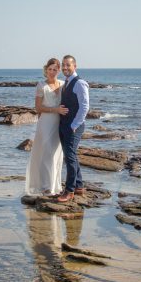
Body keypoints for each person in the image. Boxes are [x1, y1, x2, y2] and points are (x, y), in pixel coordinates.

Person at [24, 58, 65, 196]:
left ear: (59, 70)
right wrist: (56, 110)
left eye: (55, 69)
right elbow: (38, 107)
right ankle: (45, 187)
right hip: (46, 124)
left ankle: (55, 186)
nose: (52, 72)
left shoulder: (63, 84)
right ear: (46, 70)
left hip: (60, 123)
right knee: (46, 154)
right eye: (50, 69)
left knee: (57, 155)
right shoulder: (41, 85)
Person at [56, 54, 89, 202]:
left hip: (73, 126)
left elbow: (84, 106)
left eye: (68, 65)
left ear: (74, 66)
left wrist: (75, 125)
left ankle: (69, 191)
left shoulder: (80, 83)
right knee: (72, 156)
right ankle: (79, 186)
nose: (65, 68)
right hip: (64, 124)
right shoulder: (66, 83)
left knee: (69, 157)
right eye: (63, 65)